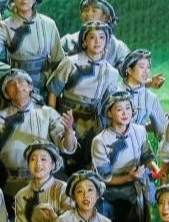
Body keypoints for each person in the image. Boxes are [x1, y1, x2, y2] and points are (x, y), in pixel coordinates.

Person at [91, 88, 156, 222]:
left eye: (128, 108)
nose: (125, 113)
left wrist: (156, 170)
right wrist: (128, 177)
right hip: (110, 197)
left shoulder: (139, 131)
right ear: (109, 113)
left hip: (135, 193)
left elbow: (147, 155)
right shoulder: (100, 141)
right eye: (120, 109)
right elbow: (104, 178)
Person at [0, 69, 78, 188]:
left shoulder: (48, 113)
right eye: (11, 84)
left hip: (48, 181)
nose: (17, 86)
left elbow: (67, 147)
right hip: (11, 183)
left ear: (30, 87)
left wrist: (69, 132)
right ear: (6, 94)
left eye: (21, 82)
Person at [47, 21, 121, 153]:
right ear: (84, 41)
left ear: (107, 42)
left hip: (93, 121)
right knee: (65, 151)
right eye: (92, 37)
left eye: (102, 37)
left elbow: (109, 103)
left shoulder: (111, 72)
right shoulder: (71, 63)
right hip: (67, 116)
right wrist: (52, 115)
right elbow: (54, 90)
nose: (97, 41)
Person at [0, 0, 59, 92]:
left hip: (44, 83)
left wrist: (53, 90)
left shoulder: (49, 24)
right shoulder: (5, 26)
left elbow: (58, 59)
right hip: (17, 84)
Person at [53, 0, 131, 69]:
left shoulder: (117, 47)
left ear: (106, 17)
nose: (89, 14)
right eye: (85, 10)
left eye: (94, 10)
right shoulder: (67, 41)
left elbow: (130, 70)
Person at [119, 49, 168, 140]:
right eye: (141, 67)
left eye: (148, 67)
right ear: (129, 70)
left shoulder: (151, 98)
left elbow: (163, 131)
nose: (146, 72)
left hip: (140, 145)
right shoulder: (114, 91)